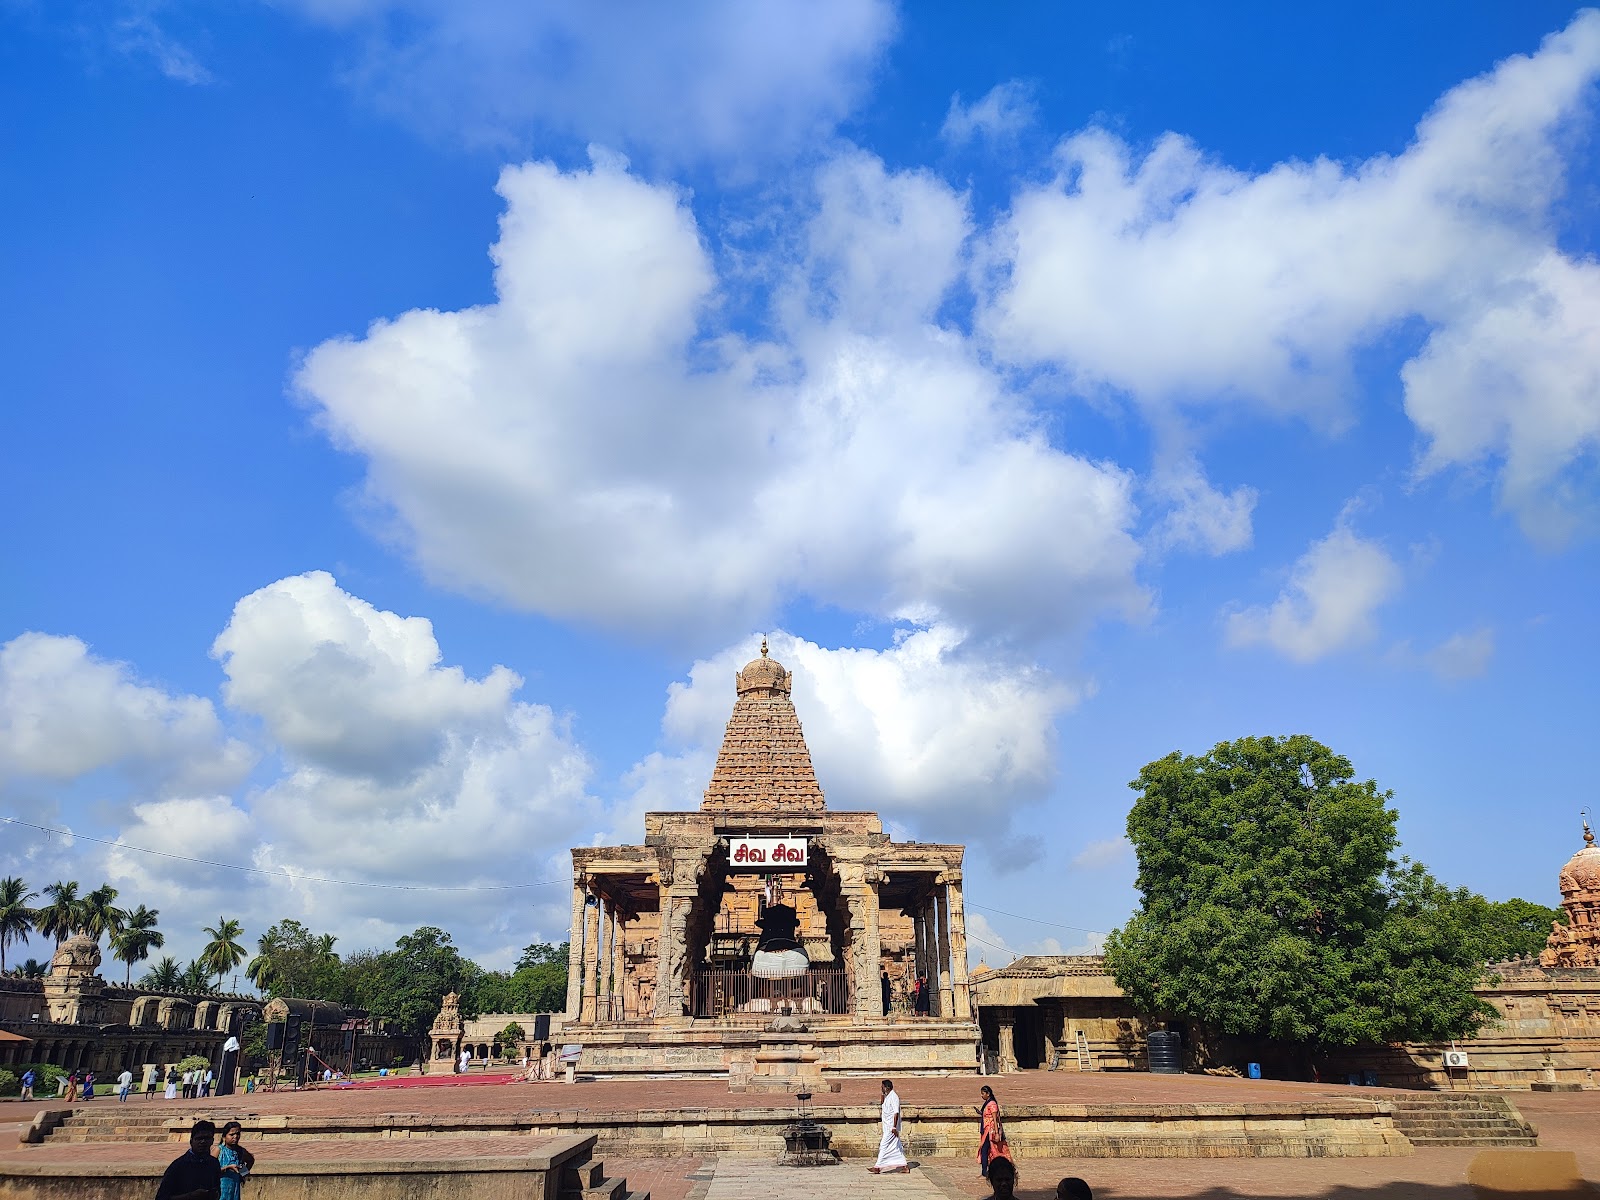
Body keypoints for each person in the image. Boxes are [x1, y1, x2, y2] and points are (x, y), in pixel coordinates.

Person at [155, 1119, 221, 1200]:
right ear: (191, 1141)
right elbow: (161, 1197)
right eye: (199, 1139)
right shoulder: (178, 1166)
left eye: (207, 1138)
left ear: (212, 1141)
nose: (203, 1142)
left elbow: (217, 1189)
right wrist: (190, 1196)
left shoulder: (214, 1163)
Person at [869, 1078, 909, 1174]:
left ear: (887, 1087)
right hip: (887, 1126)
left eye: (882, 1087)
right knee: (897, 1147)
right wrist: (882, 1094)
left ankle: (878, 1167)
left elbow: (896, 1112)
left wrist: (894, 1127)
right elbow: (882, 1104)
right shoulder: (888, 1096)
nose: (881, 1088)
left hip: (891, 1128)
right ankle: (905, 1166)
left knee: (883, 1145)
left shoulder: (894, 1097)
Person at [977, 1085, 1012, 1178]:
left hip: (990, 1131)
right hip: (986, 1129)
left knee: (985, 1149)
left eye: (983, 1093)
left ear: (988, 1094)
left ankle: (985, 1171)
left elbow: (995, 1119)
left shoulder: (992, 1104)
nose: (982, 1096)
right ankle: (985, 1170)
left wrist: (996, 1133)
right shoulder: (988, 1103)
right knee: (986, 1150)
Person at [218, 1120, 255, 1200]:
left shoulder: (241, 1151)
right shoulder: (219, 1150)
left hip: (234, 1190)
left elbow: (250, 1160)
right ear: (224, 1137)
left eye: (238, 1134)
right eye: (231, 1134)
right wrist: (227, 1168)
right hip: (220, 1190)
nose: (235, 1137)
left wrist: (243, 1173)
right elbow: (209, 1170)